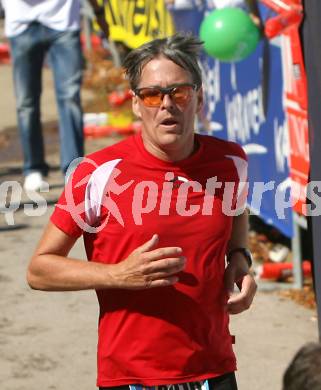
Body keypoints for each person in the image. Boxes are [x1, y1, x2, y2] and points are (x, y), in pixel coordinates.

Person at [27, 33, 257, 390]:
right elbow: (39, 270)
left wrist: (240, 258)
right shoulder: (98, 173)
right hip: (131, 375)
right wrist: (118, 275)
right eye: (152, 94)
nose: (167, 105)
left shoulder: (230, 162)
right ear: (136, 103)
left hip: (213, 367)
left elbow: (235, 209)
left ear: (198, 98)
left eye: (179, 92)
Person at [2, 0, 109, 191]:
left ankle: (73, 168)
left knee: (70, 98)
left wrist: (98, 11)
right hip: (21, 22)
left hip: (63, 20)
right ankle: (33, 167)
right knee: (26, 103)